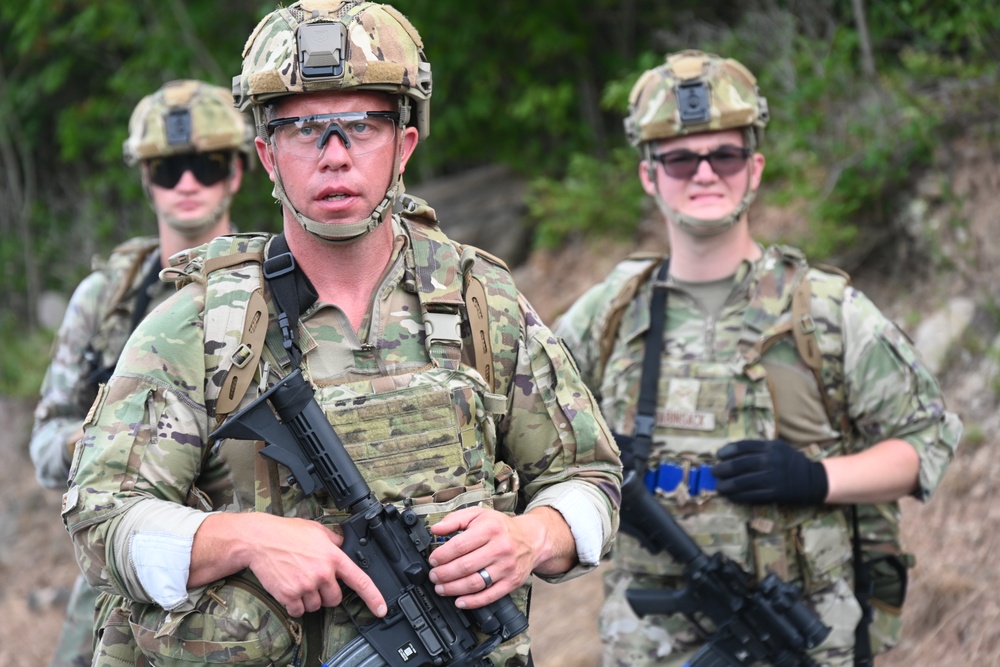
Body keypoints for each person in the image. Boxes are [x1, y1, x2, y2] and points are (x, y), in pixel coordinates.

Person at [61, 2, 622, 666]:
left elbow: (590, 476)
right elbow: (101, 517)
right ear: (268, 156)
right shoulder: (201, 325)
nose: (335, 155)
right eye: (304, 129)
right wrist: (240, 538)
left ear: (404, 143)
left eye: (360, 124)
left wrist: (533, 533)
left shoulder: (479, 303)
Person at [554, 49, 962, 667]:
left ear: (755, 168)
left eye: (725, 155)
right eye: (680, 159)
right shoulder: (612, 310)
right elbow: (524, 432)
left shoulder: (824, 310)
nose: (705, 173)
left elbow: (928, 440)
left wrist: (818, 479)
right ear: (648, 175)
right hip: (648, 644)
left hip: (799, 635)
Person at [30, 78, 253, 667]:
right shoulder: (106, 300)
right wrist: (103, 439)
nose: (186, 183)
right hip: (130, 559)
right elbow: (45, 444)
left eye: (206, 166)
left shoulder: (275, 285)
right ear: (145, 177)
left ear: (236, 172)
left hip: (250, 558)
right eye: (168, 168)